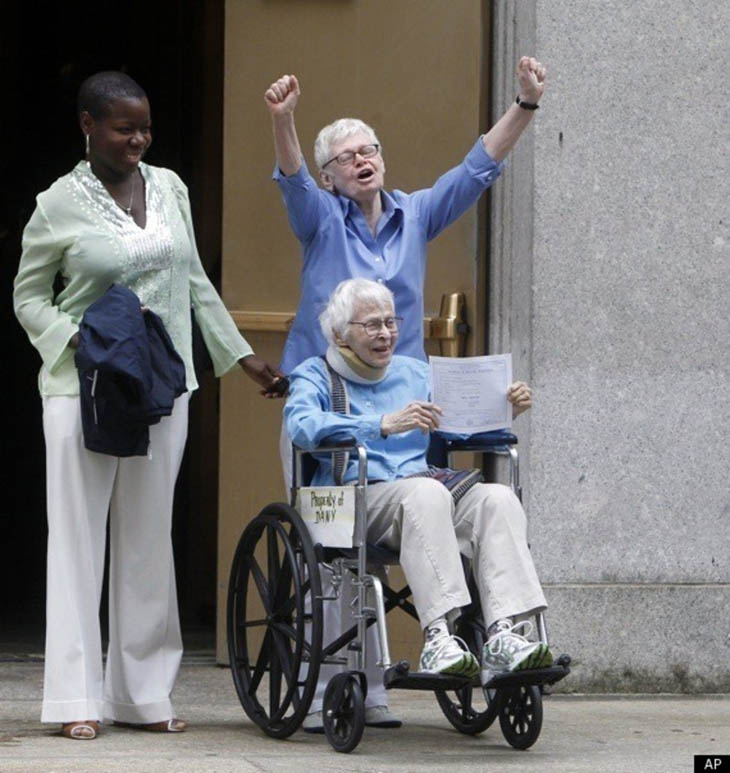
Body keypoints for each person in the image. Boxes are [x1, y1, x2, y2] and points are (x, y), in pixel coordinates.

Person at [265, 55, 546, 727]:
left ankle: (507, 633)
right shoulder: (321, 219)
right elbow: (293, 178)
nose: (363, 160)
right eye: (348, 156)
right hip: (332, 399)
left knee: (475, 494)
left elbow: (476, 169)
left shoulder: (414, 215)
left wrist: (527, 105)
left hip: (406, 405)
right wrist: (284, 120)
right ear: (333, 175)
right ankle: (338, 683)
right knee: (335, 559)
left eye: (372, 150)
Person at [13, 71, 284, 741]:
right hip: (85, 390)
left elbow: (192, 280)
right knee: (79, 538)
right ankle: (75, 696)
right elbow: (28, 296)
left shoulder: (169, 188)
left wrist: (240, 356)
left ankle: (140, 692)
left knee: (146, 538)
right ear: (87, 125)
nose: (138, 138)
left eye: (146, 127)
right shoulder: (56, 204)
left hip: (164, 384)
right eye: (123, 127)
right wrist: (74, 337)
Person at [285, 278, 551, 689]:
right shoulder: (315, 375)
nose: (386, 333)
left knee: (496, 499)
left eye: (391, 322)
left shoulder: (414, 372)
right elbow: (301, 426)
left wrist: (505, 408)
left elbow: (462, 425)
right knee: (426, 494)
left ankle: (505, 633)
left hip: (423, 493)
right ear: (340, 333)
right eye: (372, 324)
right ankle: (439, 637)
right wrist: (380, 424)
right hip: (358, 497)